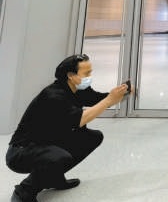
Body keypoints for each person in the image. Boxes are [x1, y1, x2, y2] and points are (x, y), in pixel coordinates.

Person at [6, 54, 130, 202]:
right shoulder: (53, 95)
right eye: (86, 73)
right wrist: (110, 100)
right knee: (59, 157)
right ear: (71, 75)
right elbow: (80, 119)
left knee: (92, 137)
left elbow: (97, 99)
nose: (90, 77)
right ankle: (24, 191)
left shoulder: (77, 89)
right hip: (21, 151)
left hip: (46, 142)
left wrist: (121, 93)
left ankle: (53, 178)